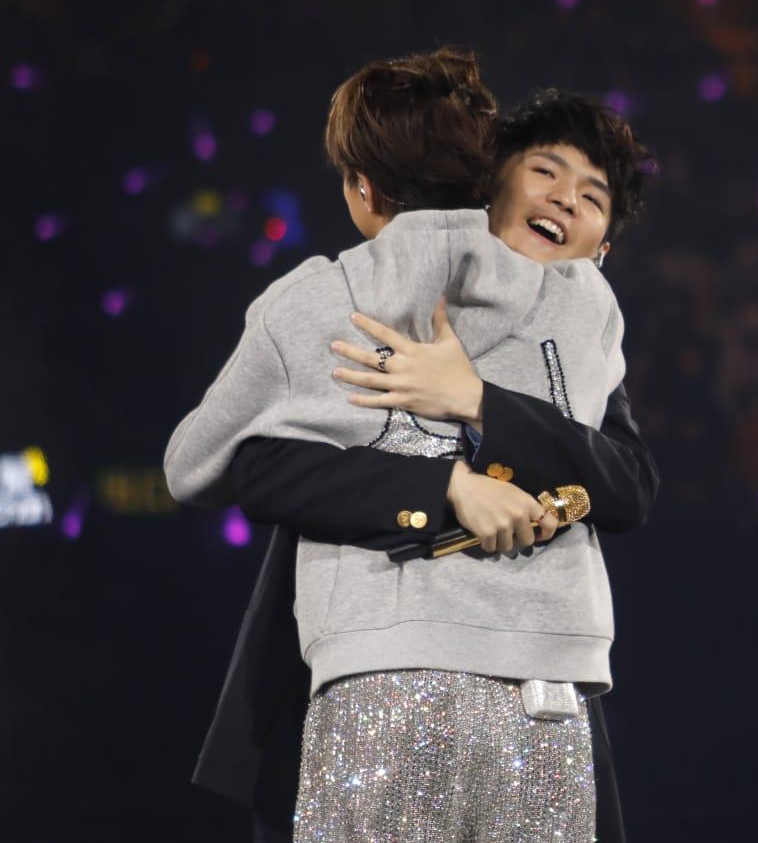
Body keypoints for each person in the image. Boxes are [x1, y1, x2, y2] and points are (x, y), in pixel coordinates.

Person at [165, 49, 655, 842]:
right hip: (541, 691)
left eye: (591, 197)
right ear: (489, 179)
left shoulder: (323, 295)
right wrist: (446, 486)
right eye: (544, 172)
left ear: (363, 187)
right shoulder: (589, 311)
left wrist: (475, 399)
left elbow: (201, 463)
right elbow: (261, 470)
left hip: (389, 679)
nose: (565, 199)